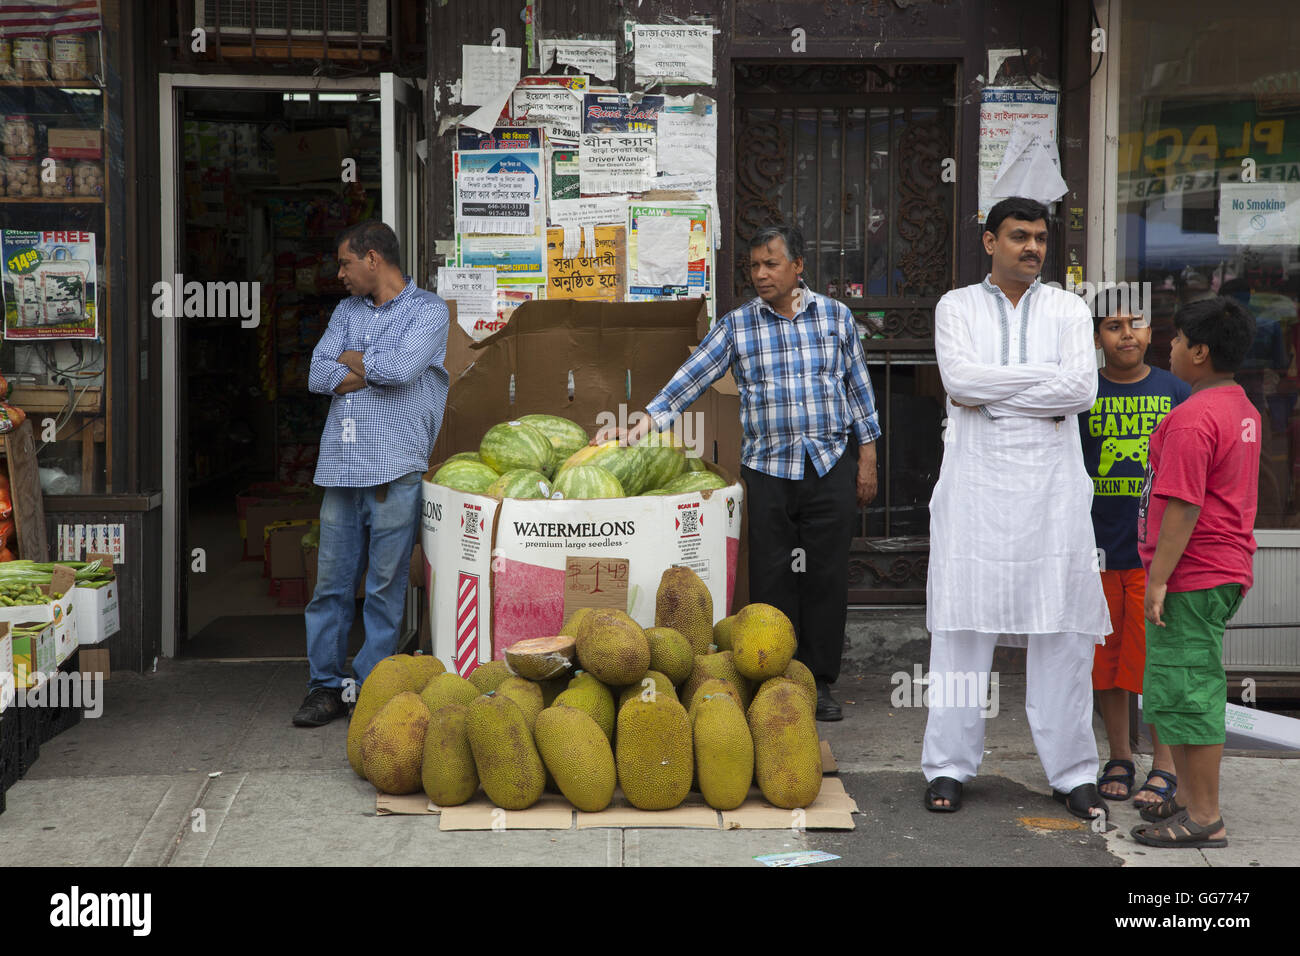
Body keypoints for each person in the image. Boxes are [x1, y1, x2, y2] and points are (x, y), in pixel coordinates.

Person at [609, 223, 880, 721]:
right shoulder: (739, 326)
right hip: (768, 471)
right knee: (773, 576)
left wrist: (868, 459)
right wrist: (642, 423)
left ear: (798, 267)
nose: (760, 274)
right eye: (754, 265)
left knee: (824, 576)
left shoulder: (836, 318)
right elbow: (688, 380)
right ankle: (775, 674)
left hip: (829, 465)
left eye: (771, 264)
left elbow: (860, 392)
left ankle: (818, 680)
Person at [922, 197, 1111, 818]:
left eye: (1039, 238)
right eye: (1018, 236)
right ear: (988, 242)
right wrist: (1035, 386)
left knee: (1061, 629)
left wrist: (996, 395)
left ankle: (1074, 771)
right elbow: (960, 382)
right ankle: (948, 767)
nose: (1032, 247)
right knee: (961, 628)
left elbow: (1080, 389)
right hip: (976, 490)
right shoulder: (957, 306)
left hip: (1052, 492)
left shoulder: (1066, 307)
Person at [292, 220, 450, 727]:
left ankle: (370, 685)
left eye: (345, 263)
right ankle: (324, 687)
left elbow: (405, 370)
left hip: (397, 468)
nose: (339, 274)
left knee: (384, 589)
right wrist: (370, 369)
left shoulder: (427, 312)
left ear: (374, 259)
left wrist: (356, 362)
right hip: (342, 470)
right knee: (331, 588)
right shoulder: (344, 310)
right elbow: (318, 372)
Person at [1130, 296, 1259, 849]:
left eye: (1178, 340)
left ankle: (1204, 816)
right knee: (1178, 687)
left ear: (1200, 351)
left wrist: (1158, 579)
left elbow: (1183, 506)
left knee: (1189, 691)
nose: (1171, 349)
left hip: (1193, 573)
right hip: (1220, 569)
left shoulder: (1192, 417)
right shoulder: (1240, 406)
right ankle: (1185, 798)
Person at [1079, 309, 1189, 808]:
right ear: (1096, 336)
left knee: (1155, 662)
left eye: (1137, 323)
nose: (1127, 334)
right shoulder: (1081, 390)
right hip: (1097, 549)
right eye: (1113, 326)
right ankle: (1119, 755)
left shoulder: (1174, 391)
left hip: (1154, 555)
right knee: (1107, 660)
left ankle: (1164, 764)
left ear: (1152, 332)